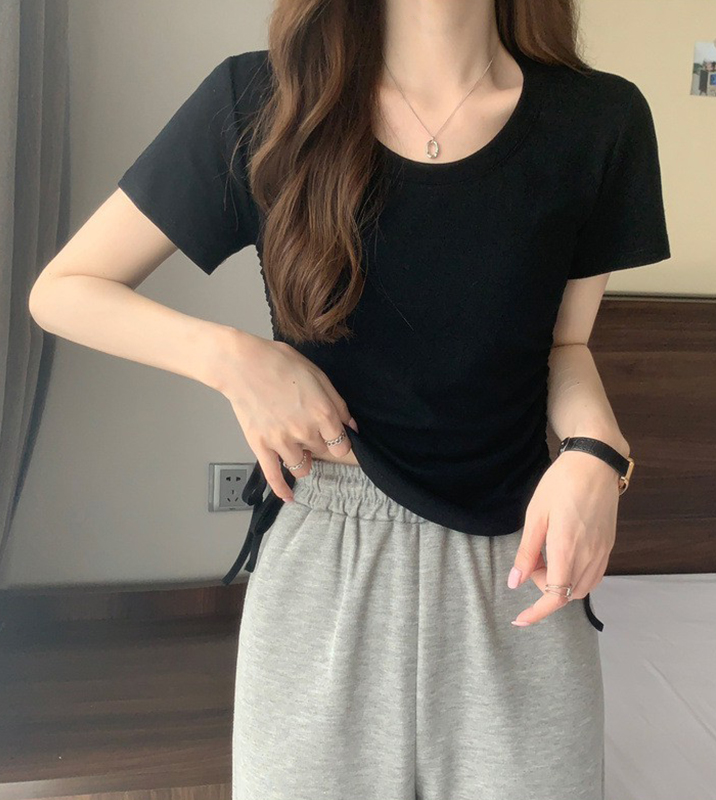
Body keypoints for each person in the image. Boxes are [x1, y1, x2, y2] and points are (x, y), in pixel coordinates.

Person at [28, 1, 671, 798]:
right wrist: (238, 360)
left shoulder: (600, 120)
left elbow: (564, 348)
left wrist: (597, 455)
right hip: (322, 566)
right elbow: (65, 290)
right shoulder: (262, 99)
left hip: (518, 567)